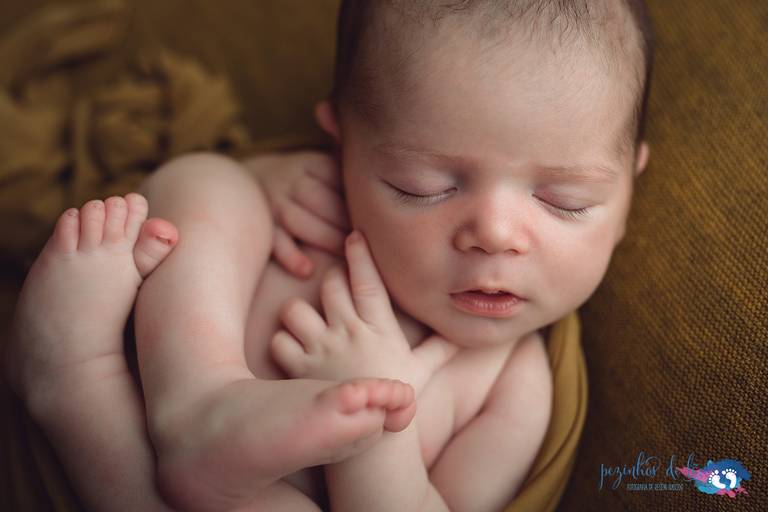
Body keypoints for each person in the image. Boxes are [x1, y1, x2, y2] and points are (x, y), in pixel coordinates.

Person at [6, 0, 654, 510]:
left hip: (132, 475)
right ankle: (196, 397)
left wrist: (376, 423)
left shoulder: (515, 386)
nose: (495, 234)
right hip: (153, 383)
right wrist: (264, 181)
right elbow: (201, 211)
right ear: (343, 146)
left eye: (566, 201)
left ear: (628, 192)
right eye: (421, 187)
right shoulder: (322, 198)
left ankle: (72, 381)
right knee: (205, 181)